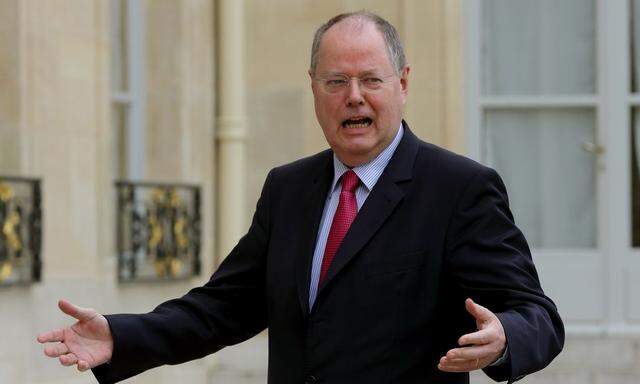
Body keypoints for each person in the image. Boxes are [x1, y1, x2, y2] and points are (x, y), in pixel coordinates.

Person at [37, 11, 564, 384]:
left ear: (402, 84)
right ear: (313, 87)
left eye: (370, 80)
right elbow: (223, 308)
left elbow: (537, 314)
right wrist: (122, 338)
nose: (353, 96)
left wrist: (505, 339)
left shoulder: (459, 189)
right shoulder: (288, 188)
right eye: (336, 81)